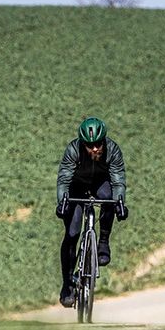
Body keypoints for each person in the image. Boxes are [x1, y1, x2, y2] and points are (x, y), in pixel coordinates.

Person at [56, 117, 128, 308]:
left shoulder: (113, 150)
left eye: (98, 144)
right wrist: (62, 201)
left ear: (104, 140)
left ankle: (103, 242)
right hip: (76, 187)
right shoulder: (73, 150)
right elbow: (64, 179)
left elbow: (118, 180)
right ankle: (67, 285)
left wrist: (120, 202)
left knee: (110, 198)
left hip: (100, 184)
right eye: (90, 146)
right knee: (72, 233)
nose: (95, 149)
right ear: (83, 144)